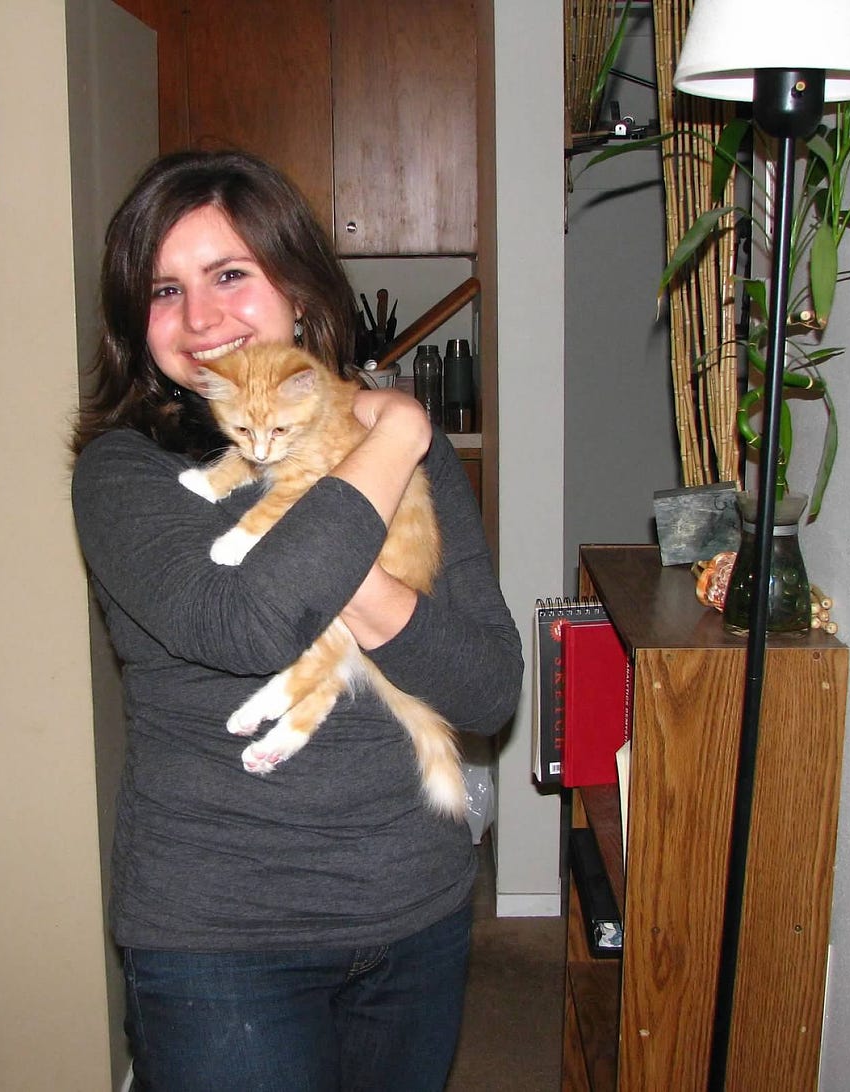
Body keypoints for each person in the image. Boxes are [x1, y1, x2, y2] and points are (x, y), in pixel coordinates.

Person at [70, 149, 523, 1092]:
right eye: (164, 290)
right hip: (222, 941)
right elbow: (247, 624)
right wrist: (397, 434)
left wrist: (366, 558)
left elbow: (488, 687)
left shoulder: (393, 455)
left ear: (299, 290)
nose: (200, 319)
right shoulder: (125, 475)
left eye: (230, 274)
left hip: (415, 910)